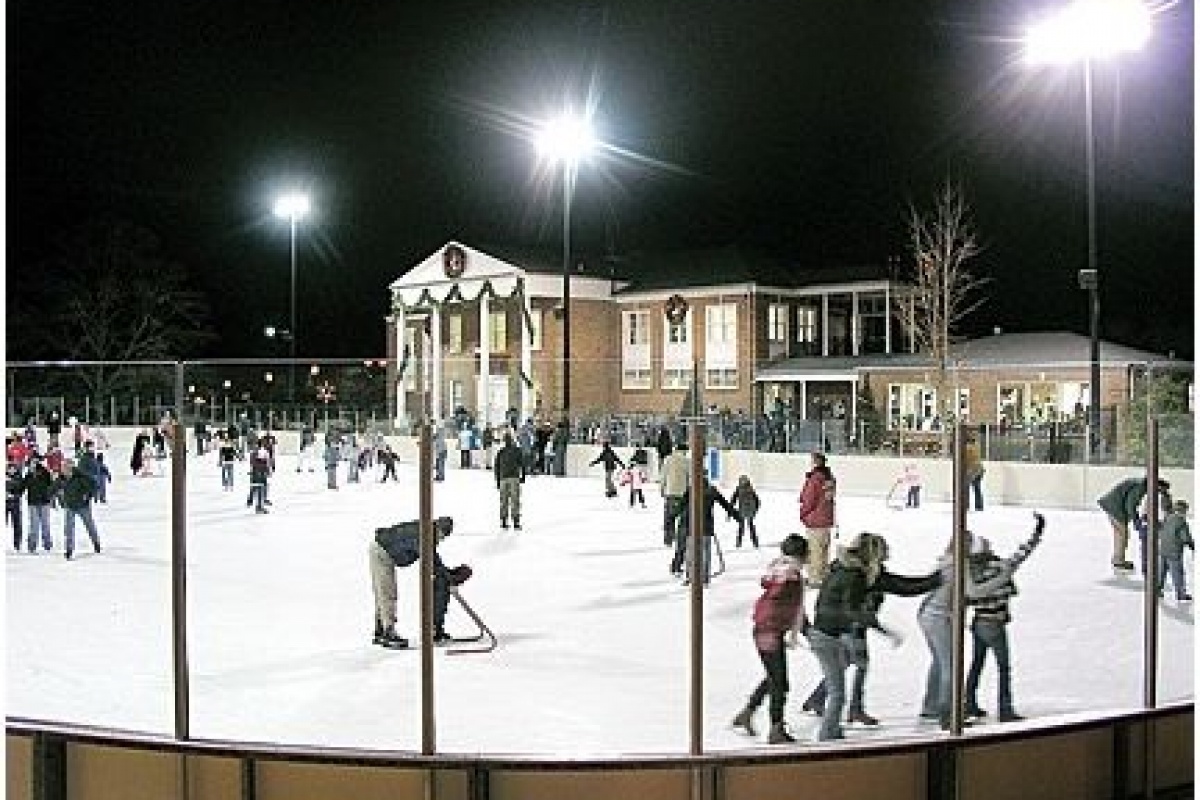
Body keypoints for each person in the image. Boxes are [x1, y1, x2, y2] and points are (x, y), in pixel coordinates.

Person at [804, 533, 940, 739]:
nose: (887, 557)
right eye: (883, 553)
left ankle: (832, 718)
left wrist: (937, 578)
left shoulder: (862, 572)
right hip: (832, 634)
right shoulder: (853, 575)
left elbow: (903, 585)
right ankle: (829, 732)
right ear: (873, 554)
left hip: (838, 631)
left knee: (848, 671)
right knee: (841, 687)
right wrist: (883, 629)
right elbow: (850, 610)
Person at [919, 531, 1021, 729]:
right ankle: (947, 713)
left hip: (932, 614)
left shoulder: (948, 561)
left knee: (942, 662)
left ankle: (933, 706)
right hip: (940, 617)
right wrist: (1003, 577)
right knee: (950, 665)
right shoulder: (959, 564)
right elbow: (973, 592)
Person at [963, 514, 1045, 723]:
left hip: (978, 622)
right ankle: (1005, 708)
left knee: (976, 664)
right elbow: (1020, 556)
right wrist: (1037, 533)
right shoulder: (999, 567)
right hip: (995, 623)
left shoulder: (969, 572)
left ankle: (969, 703)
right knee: (1003, 667)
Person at [732, 534, 809, 744]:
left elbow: (791, 606)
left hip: (765, 630)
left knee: (773, 678)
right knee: (780, 683)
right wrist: (805, 629)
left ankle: (747, 713)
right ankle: (776, 729)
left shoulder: (780, 571)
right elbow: (787, 604)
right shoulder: (790, 577)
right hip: (770, 631)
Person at [369, 516, 472, 647]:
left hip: (382, 547)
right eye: (442, 536)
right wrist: (449, 576)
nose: (441, 540)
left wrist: (448, 574)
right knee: (387, 593)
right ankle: (387, 632)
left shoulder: (427, 531)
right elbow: (430, 560)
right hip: (381, 551)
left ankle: (381, 630)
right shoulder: (424, 534)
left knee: (384, 592)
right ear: (438, 529)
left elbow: (433, 559)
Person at [677, 475, 740, 585]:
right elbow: (726, 505)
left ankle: (690, 577)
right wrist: (737, 517)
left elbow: (680, 506)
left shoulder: (691, 489)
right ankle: (704, 578)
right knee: (705, 553)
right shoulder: (711, 490)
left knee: (690, 553)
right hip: (706, 527)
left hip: (692, 526)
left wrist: (671, 519)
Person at [1098, 476, 1169, 571]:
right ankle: (1119, 561)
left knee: (1119, 533)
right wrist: (1136, 521)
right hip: (1114, 507)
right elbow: (1130, 505)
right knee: (1123, 534)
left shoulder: (1141, 484)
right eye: (1161, 490)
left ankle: (1117, 559)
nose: (1160, 493)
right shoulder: (1140, 487)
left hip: (1112, 505)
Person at [798, 452, 836, 587]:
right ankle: (823, 575)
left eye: (812, 461)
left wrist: (803, 514)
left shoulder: (815, 478)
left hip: (815, 519)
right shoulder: (829, 477)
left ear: (816, 462)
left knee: (814, 550)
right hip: (826, 519)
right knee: (824, 549)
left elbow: (809, 499)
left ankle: (815, 578)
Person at [57, 458, 101, 559]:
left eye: (66, 467)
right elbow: (53, 488)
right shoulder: (61, 478)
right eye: (63, 467)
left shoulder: (81, 477)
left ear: (71, 468)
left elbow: (94, 486)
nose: (64, 469)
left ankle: (96, 543)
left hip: (83, 506)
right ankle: (69, 550)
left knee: (89, 525)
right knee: (68, 529)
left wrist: (88, 497)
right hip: (70, 506)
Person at [1157, 500, 1194, 602]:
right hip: (1174, 552)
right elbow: (1185, 537)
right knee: (1177, 574)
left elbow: (1161, 531)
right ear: (1183, 510)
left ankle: (1157, 590)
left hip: (1163, 550)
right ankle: (1181, 594)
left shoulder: (1167, 518)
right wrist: (1191, 544)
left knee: (1161, 572)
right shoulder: (1181, 522)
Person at [22, 455, 56, 552]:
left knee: (45, 524)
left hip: (44, 502)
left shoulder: (45, 472)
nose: (33, 463)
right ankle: (32, 545)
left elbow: (51, 485)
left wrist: (51, 497)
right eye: (32, 462)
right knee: (34, 525)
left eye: (35, 461)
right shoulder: (29, 474)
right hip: (32, 502)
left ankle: (47, 544)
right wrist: (14, 492)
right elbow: (22, 486)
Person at [661, 442, 690, 549]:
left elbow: (663, 475)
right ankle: (681, 539)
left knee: (669, 517)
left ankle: (668, 539)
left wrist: (662, 488)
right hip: (683, 494)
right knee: (683, 519)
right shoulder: (687, 461)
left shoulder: (668, 459)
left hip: (670, 492)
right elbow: (690, 478)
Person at [494, 433, 526, 530]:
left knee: (504, 501)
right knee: (515, 500)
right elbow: (522, 464)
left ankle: (504, 521)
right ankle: (515, 522)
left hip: (503, 478)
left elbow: (496, 467)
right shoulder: (517, 450)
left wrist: (498, 481)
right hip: (514, 478)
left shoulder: (501, 452)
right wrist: (523, 476)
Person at [729, 474, 761, 548]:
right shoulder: (743, 489)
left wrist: (755, 510)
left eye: (744, 480)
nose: (743, 482)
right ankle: (742, 542)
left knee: (749, 526)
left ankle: (754, 542)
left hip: (747, 511)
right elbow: (733, 499)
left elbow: (757, 501)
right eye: (742, 481)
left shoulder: (749, 489)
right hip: (743, 511)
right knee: (743, 527)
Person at [246, 444, 270, 514]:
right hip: (258, 473)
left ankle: (254, 502)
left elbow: (254, 463)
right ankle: (259, 507)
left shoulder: (255, 454)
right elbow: (262, 463)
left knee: (257, 488)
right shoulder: (258, 454)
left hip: (257, 473)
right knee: (259, 489)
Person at [7, 462, 25, 551]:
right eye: (10, 469)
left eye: (13, 469)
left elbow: (21, 490)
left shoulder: (19, 477)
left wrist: (14, 496)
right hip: (5, 503)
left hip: (15, 503)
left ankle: (17, 543)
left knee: (17, 524)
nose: (11, 470)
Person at [964, 436, 985, 511]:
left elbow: (966, 459)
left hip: (972, 470)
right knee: (977, 488)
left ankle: (966, 505)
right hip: (979, 469)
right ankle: (979, 506)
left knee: (966, 488)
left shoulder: (967, 448)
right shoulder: (976, 445)